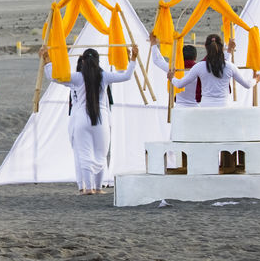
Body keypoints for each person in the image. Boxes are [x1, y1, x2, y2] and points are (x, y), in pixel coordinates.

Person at [38, 44, 138, 194]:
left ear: (83, 62)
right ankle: (98, 188)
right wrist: (133, 58)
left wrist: (46, 59)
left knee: (84, 153)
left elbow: (53, 76)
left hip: (80, 119)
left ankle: (89, 188)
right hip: (101, 120)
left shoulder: (77, 77)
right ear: (98, 62)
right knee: (101, 154)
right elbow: (126, 76)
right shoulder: (104, 76)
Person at [168, 34, 256, 107]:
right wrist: (256, 79)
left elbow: (179, 84)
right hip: (224, 107)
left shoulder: (199, 66)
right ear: (221, 47)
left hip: (206, 108)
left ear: (206, 47)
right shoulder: (229, 66)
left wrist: (172, 78)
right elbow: (247, 85)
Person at [148, 35, 202, 107]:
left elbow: (157, 60)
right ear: (195, 57)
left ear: (181, 56)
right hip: (196, 107)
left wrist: (153, 44)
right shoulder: (200, 68)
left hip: (179, 107)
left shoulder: (174, 68)